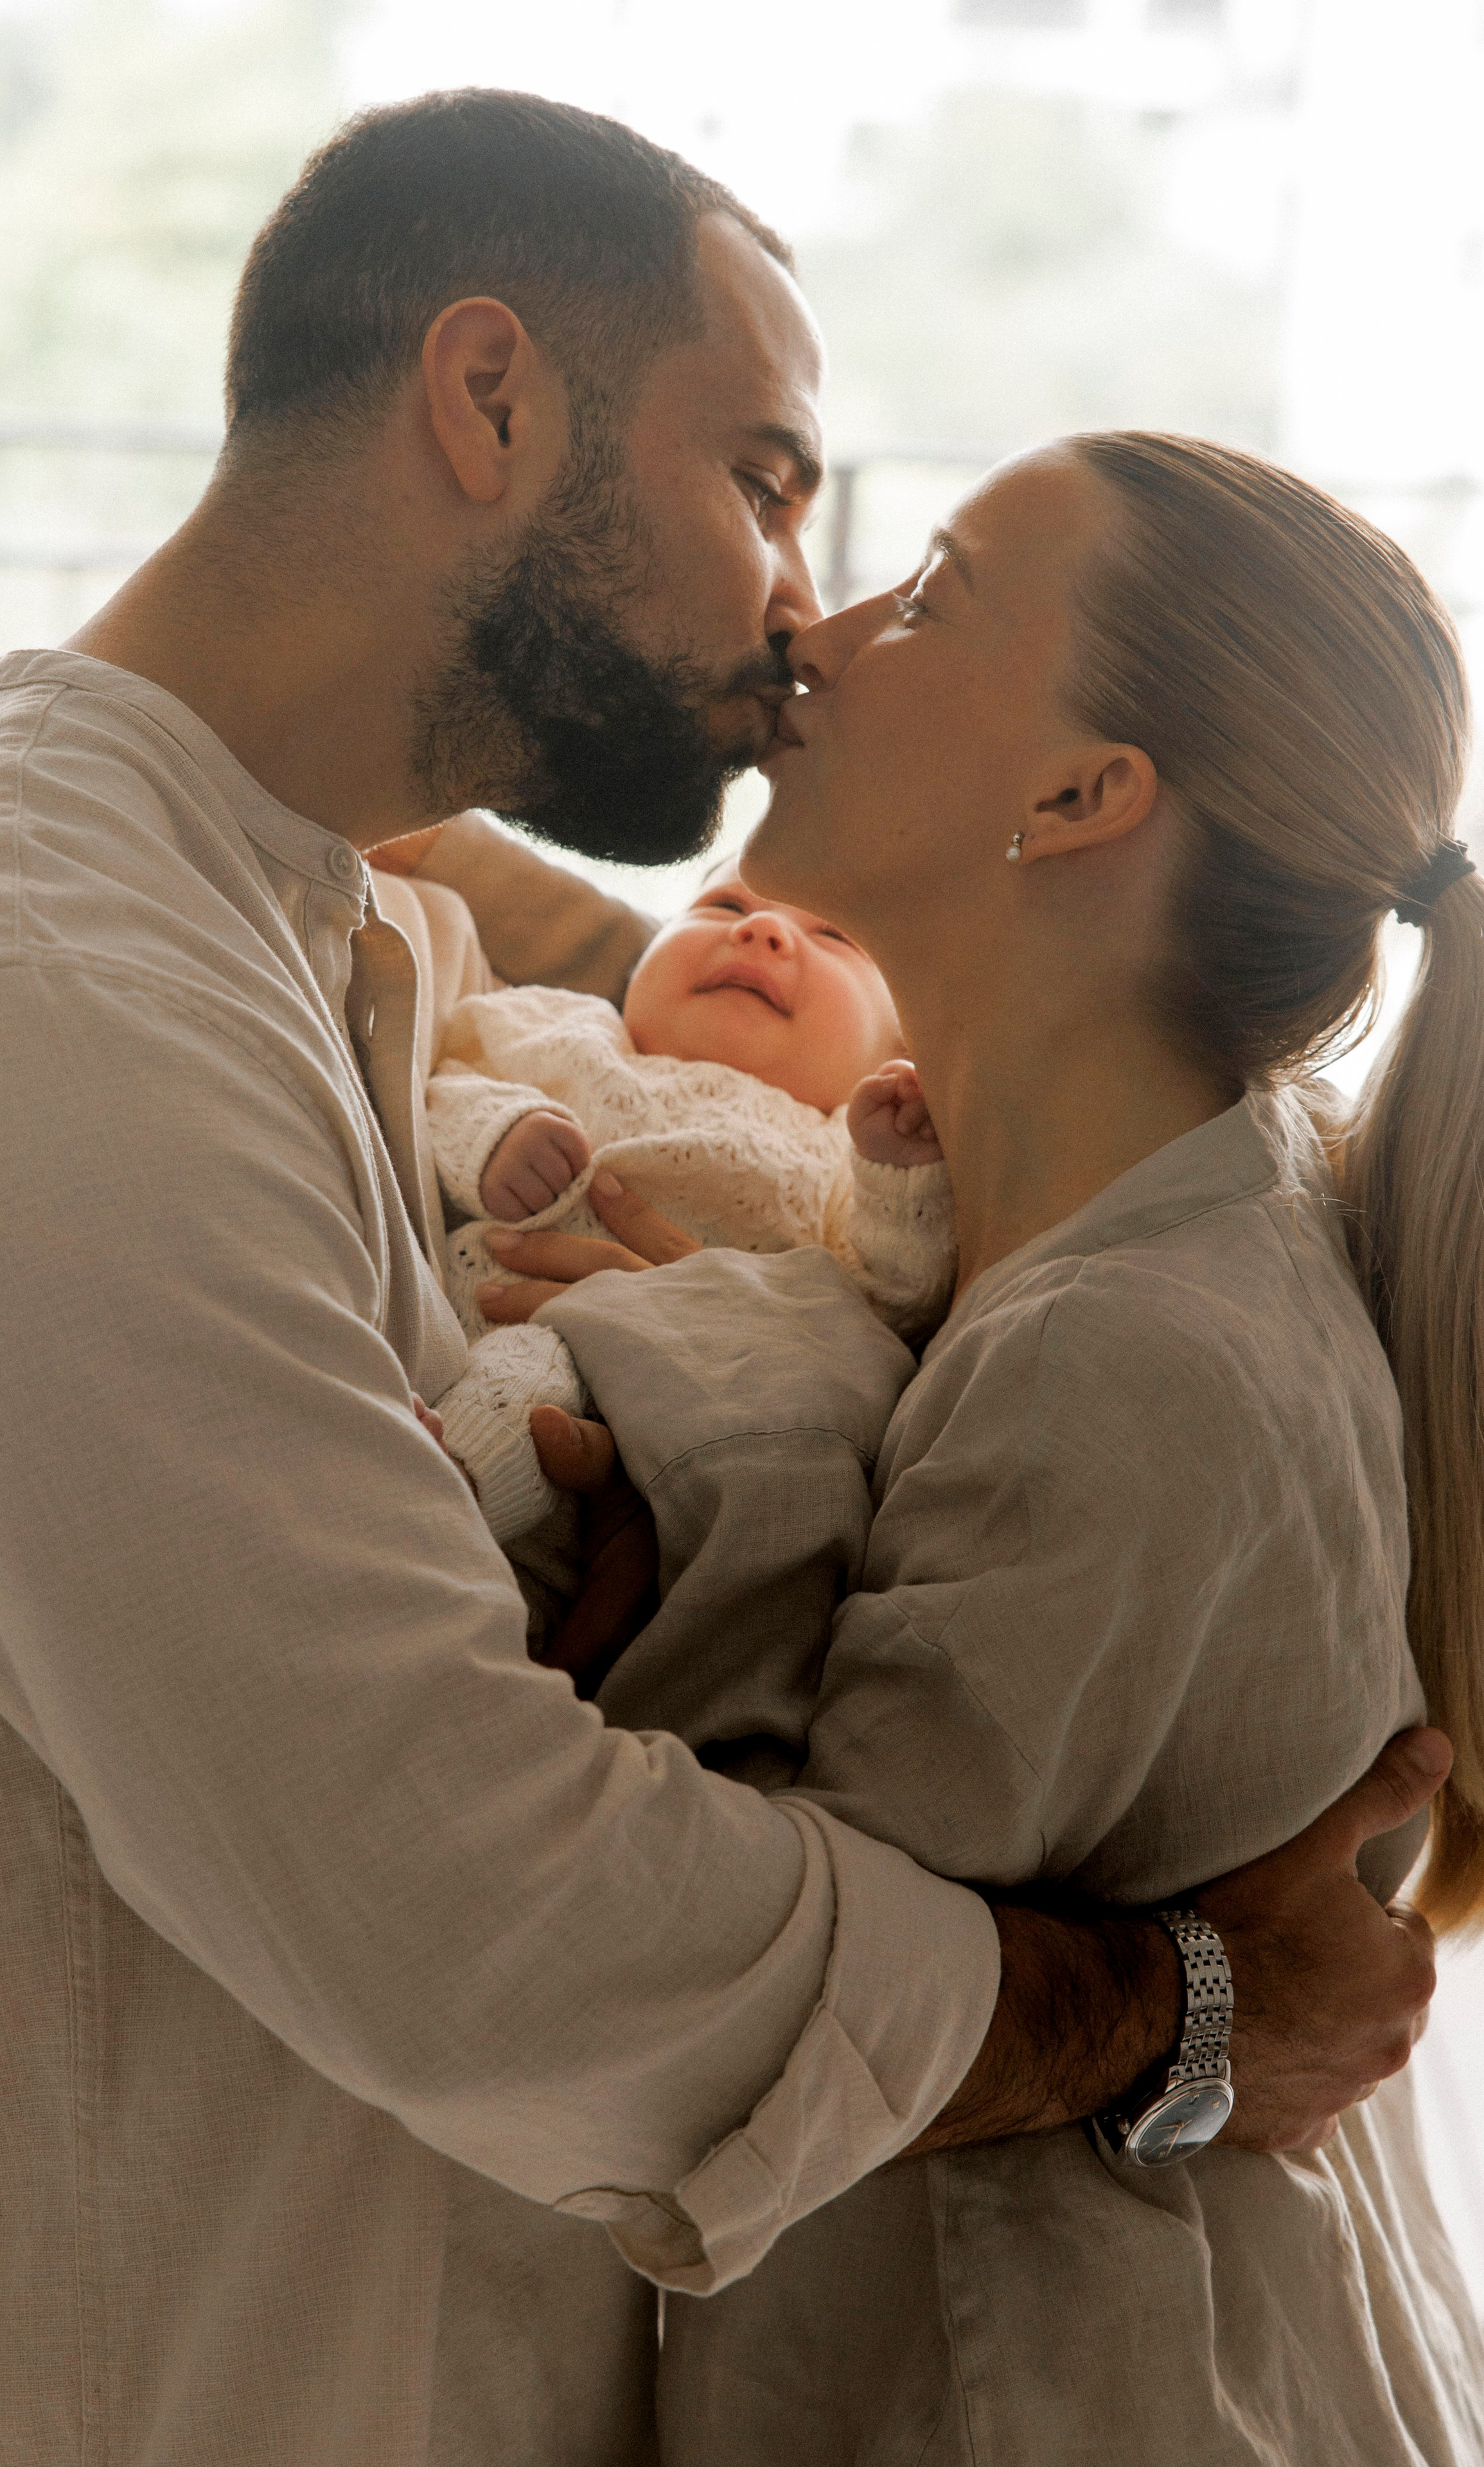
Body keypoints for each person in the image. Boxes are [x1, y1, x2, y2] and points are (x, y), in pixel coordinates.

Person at [0, 92, 1445, 2467]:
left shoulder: (295, 928)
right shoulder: (32, 990)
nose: (796, 612)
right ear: (488, 402)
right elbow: (494, 1917)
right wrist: (1186, 2013)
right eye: (768, 480)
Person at [464, 434, 1484, 2461]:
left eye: (923, 594)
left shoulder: (1127, 1358)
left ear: (1081, 797)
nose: (811, 630)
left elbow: (789, 2017)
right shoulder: (1130, 1199)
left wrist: (726, 1428)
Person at [427, 858, 951, 1566]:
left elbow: (888, 1303)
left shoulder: (842, 1154)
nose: (762, 930)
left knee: (540, 1369)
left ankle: (442, 1486)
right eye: (723, 907)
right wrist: (499, 1135)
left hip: (618, 1433)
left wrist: (898, 1175)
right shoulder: (565, 1028)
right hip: (433, 1313)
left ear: (897, 1049)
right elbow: (443, 1086)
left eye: (834, 937)